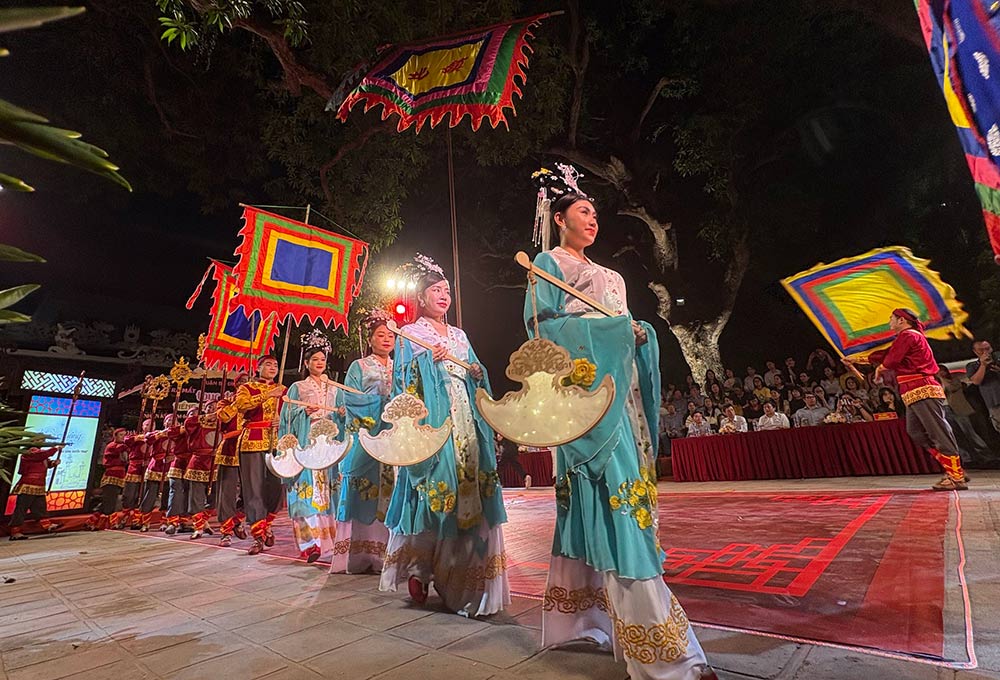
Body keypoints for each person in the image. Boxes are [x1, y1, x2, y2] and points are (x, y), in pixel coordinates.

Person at [524, 185, 714, 680]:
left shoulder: (610, 275)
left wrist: (638, 333)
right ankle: (666, 654)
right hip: (583, 401)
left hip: (620, 394)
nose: (593, 220)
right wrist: (610, 333)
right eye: (582, 211)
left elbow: (624, 324)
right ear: (559, 218)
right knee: (613, 507)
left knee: (620, 501)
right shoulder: (547, 264)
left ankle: (589, 620)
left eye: (595, 213)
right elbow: (542, 333)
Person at [381, 254, 509, 617]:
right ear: (421, 298)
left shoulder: (459, 334)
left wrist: (476, 371)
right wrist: (427, 362)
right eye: (436, 290)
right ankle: (421, 569)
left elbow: (475, 370)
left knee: (469, 493)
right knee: (434, 494)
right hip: (434, 423)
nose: (443, 296)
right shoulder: (410, 334)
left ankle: (461, 575)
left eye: (447, 290)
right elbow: (402, 384)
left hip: (465, 419)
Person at [865, 308, 966, 491]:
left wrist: (880, 368)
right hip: (912, 392)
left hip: (922, 388)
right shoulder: (907, 338)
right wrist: (859, 360)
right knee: (916, 432)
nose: (889, 322)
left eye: (891, 319)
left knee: (938, 432)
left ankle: (956, 475)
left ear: (902, 321)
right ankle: (952, 467)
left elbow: (891, 360)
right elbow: (886, 355)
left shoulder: (909, 335)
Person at [332, 310, 396, 574]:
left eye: (391, 335)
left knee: (390, 491)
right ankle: (360, 556)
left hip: (394, 436)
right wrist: (381, 404)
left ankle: (388, 554)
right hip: (367, 436)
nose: (386, 339)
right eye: (380, 335)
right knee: (364, 491)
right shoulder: (359, 367)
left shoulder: (399, 365)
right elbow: (351, 399)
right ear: (370, 339)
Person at [278, 330, 341, 563]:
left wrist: (342, 414)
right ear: (306, 363)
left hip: (329, 445)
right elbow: (286, 417)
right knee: (305, 492)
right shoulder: (297, 388)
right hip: (307, 443)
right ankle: (309, 544)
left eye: (323, 360)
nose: (319, 363)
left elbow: (342, 413)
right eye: (315, 359)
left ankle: (331, 541)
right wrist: (302, 412)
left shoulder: (334, 387)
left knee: (329, 492)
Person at [219, 357, 287, 554]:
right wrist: (266, 396)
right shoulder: (247, 388)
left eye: (275, 365)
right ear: (258, 368)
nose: (273, 368)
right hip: (251, 442)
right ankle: (257, 535)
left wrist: (281, 419)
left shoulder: (283, 389)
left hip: (275, 442)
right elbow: (241, 406)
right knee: (254, 490)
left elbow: (291, 412)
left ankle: (268, 524)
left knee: (276, 490)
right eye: (268, 364)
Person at [213, 385, 250, 547]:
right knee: (226, 494)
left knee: (250, 493)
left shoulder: (254, 404)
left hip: (249, 449)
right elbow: (224, 417)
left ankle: (237, 519)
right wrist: (237, 403)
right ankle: (226, 531)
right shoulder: (225, 403)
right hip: (229, 450)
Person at [938, 368, 993, 465]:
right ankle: (968, 458)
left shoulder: (954, 380)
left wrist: (942, 379)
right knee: (956, 435)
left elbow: (950, 388)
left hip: (959, 409)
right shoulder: (936, 384)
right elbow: (941, 392)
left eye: (941, 370)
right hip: (945, 410)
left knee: (969, 432)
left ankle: (986, 456)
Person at [8, 446, 62, 540]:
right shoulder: (30, 452)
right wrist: (56, 449)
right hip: (29, 484)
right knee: (21, 508)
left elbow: (44, 461)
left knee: (40, 506)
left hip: (39, 484)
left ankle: (47, 525)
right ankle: (15, 531)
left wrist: (53, 463)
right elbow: (40, 455)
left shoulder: (39, 454)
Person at [184, 405, 219, 540]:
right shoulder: (198, 421)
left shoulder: (221, 421)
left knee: (215, 498)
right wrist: (204, 417)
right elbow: (188, 424)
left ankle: (203, 520)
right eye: (209, 406)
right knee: (196, 498)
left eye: (215, 406)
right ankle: (198, 527)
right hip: (198, 462)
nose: (212, 409)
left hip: (214, 462)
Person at [139, 414, 177, 532]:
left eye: (173, 421)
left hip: (169, 468)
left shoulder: (177, 436)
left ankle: (164, 521)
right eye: (168, 420)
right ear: (164, 422)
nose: (171, 422)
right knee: (149, 496)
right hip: (156, 467)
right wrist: (160, 434)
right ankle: (145, 522)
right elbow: (148, 439)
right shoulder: (157, 433)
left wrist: (173, 457)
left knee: (167, 497)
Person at [86, 428, 127, 531]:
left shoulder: (123, 448)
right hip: (111, 477)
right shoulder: (112, 446)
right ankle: (111, 523)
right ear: (115, 436)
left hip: (119, 477)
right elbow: (117, 450)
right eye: (121, 435)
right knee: (110, 503)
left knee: (108, 502)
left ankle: (92, 522)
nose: (123, 437)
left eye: (124, 435)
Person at [121, 420, 152, 529]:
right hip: (134, 468)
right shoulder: (136, 437)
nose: (149, 426)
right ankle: (124, 518)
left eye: (152, 424)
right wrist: (138, 438)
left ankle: (137, 520)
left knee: (142, 496)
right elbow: (126, 440)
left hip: (147, 469)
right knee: (129, 495)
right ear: (143, 426)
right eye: (147, 424)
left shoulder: (154, 437)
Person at [164, 412, 192, 535]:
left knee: (188, 492)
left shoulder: (199, 429)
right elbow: (170, 433)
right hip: (178, 462)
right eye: (191, 414)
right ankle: (172, 522)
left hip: (192, 463)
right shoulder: (181, 429)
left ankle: (184, 521)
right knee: (175, 491)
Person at [967, 339, 1000, 435]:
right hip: (994, 403)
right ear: (975, 352)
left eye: (987, 348)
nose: (985, 352)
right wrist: (983, 365)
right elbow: (976, 381)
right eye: (981, 350)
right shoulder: (972, 366)